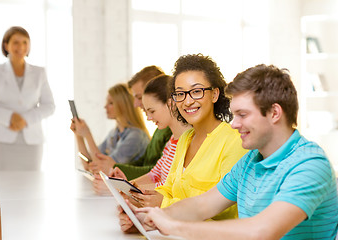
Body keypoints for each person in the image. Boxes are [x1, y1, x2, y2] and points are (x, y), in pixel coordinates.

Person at [124, 64, 338, 239]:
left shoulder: (310, 164)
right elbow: (202, 205)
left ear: (274, 113)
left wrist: (173, 226)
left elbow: (262, 231)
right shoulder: (250, 162)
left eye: (242, 115)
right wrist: (149, 218)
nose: (234, 124)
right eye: (234, 115)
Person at [119, 53, 247, 231]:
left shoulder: (234, 141)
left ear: (215, 94)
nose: (187, 101)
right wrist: (141, 208)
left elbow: (222, 212)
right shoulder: (185, 139)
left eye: (196, 91)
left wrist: (164, 205)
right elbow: (169, 189)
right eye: (180, 94)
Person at [0, 26, 55, 239]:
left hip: (31, 144)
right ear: (6, 45)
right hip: (2, 143)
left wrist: (26, 119)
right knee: (0, 196)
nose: (20, 47)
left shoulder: (39, 73)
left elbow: (49, 106)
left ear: (28, 46)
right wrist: (9, 117)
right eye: (15, 42)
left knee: (28, 195)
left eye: (24, 42)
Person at [94, 74, 191, 207]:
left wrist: (124, 189)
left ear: (171, 104)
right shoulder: (171, 141)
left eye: (151, 111)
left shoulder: (189, 142)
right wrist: (126, 186)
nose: (149, 118)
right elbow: (155, 174)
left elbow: (169, 186)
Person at [92, 66, 172, 179]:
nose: (135, 104)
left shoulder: (168, 133)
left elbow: (158, 174)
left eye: (139, 97)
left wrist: (115, 168)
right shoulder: (161, 130)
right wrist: (118, 171)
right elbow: (150, 167)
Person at [71, 83, 150, 169]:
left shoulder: (136, 136)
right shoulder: (114, 133)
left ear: (123, 106)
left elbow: (102, 168)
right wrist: (79, 135)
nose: (105, 106)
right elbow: (89, 165)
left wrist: (87, 135)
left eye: (111, 103)